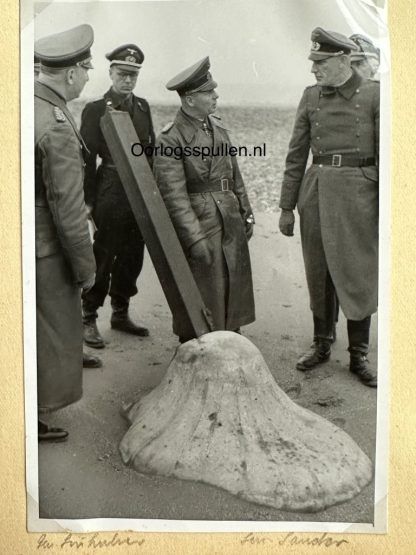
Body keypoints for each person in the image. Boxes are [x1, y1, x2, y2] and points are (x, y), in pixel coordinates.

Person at [278, 28, 379, 388]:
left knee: (357, 271)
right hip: (316, 192)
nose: (314, 70)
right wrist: (287, 206)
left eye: (320, 63)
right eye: (313, 62)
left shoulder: (374, 95)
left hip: (359, 195)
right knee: (318, 271)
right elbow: (296, 155)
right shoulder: (310, 97)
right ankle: (321, 344)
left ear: (342, 60)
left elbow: (388, 158)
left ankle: (359, 354)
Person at [153, 57, 255, 341]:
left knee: (233, 285)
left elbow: (235, 174)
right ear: (189, 99)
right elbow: (173, 194)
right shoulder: (171, 139)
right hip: (202, 223)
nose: (216, 96)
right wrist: (194, 237)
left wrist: (246, 211)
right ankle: (196, 351)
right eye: (208, 92)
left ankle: (231, 341)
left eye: (213, 90)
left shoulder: (217, 127)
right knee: (204, 294)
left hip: (230, 217)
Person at [35, 24, 97, 441]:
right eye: (87, 69)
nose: (89, 77)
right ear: (72, 73)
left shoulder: (30, 102)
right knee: (50, 329)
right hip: (44, 247)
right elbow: (69, 210)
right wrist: (85, 267)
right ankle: (33, 415)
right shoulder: (56, 122)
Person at [80, 44, 155, 349]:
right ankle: (88, 316)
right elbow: (86, 158)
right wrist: (87, 200)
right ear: (110, 72)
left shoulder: (143, 107)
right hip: (109, 187)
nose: (127, 80)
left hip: (138, 192)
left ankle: (120, 312)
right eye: (122, 73)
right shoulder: (96, 109)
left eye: (133, 75)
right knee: (104, 253)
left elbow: (149, 153)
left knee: (132, 253)